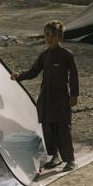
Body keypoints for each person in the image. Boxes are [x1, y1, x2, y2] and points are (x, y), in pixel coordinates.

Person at [11, 20, 79, 172]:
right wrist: (19, 76)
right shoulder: (44, 55)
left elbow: (74, 76)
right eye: (46, 34)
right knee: (48, 129)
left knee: (63, 128)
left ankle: (70, 159)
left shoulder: (66, 55)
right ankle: (54, 156)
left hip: (61, 99)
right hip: (45, 99)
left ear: (59, 36)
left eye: (52, 35)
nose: (49, 38)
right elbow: (33, 71)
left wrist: (74, 95)